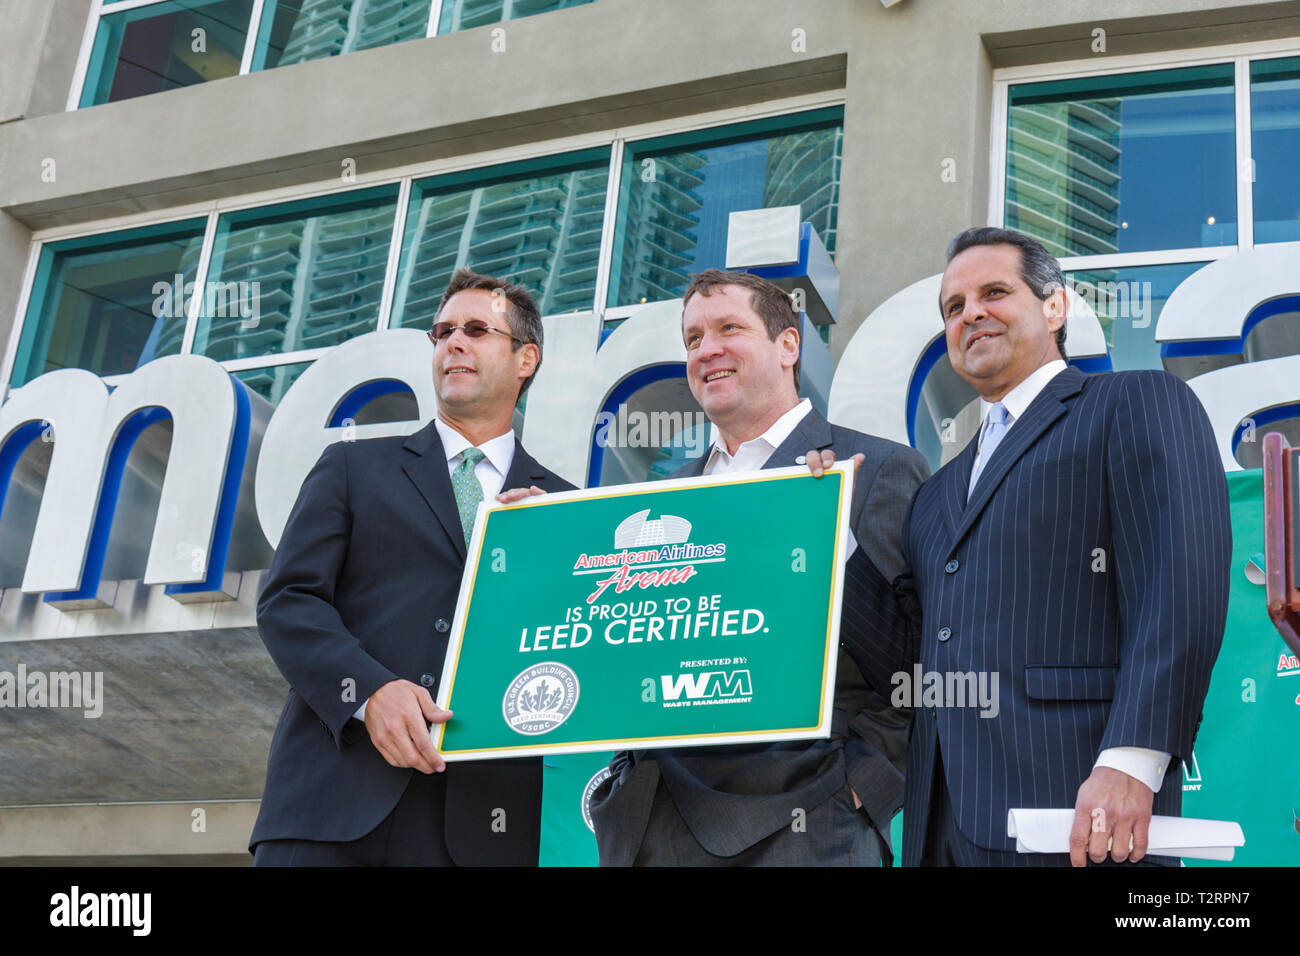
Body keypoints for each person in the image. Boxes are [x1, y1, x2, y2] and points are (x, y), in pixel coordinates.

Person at [834, 227, 1231, 866]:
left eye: (994, 292)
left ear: (1056, 306)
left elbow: (1178, 588)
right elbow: (911, 656)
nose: (972, 314)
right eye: (953, 307)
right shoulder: (935, 496)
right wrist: (835, 534)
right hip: (943, 830)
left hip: (1080, 811)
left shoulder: (1135, 403)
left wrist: (1133, 763)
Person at [589, 269, 929, 866]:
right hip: (649, 826)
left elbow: (923, 658)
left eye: (729, 329)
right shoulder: (659, 502)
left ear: (788, 345)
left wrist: (861, 790)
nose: (707, 350)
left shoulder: (877, 469)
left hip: (804, 825)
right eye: (693, 339)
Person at [250, 269, 573, 866]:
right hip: (331, 808)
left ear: (526, 359)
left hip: (485, 828)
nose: (453, 342)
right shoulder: (352, 467)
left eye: (477, 330)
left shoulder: (567, 509)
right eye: (443, 330)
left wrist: (555, 551)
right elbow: (287, 600)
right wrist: (368, 692)